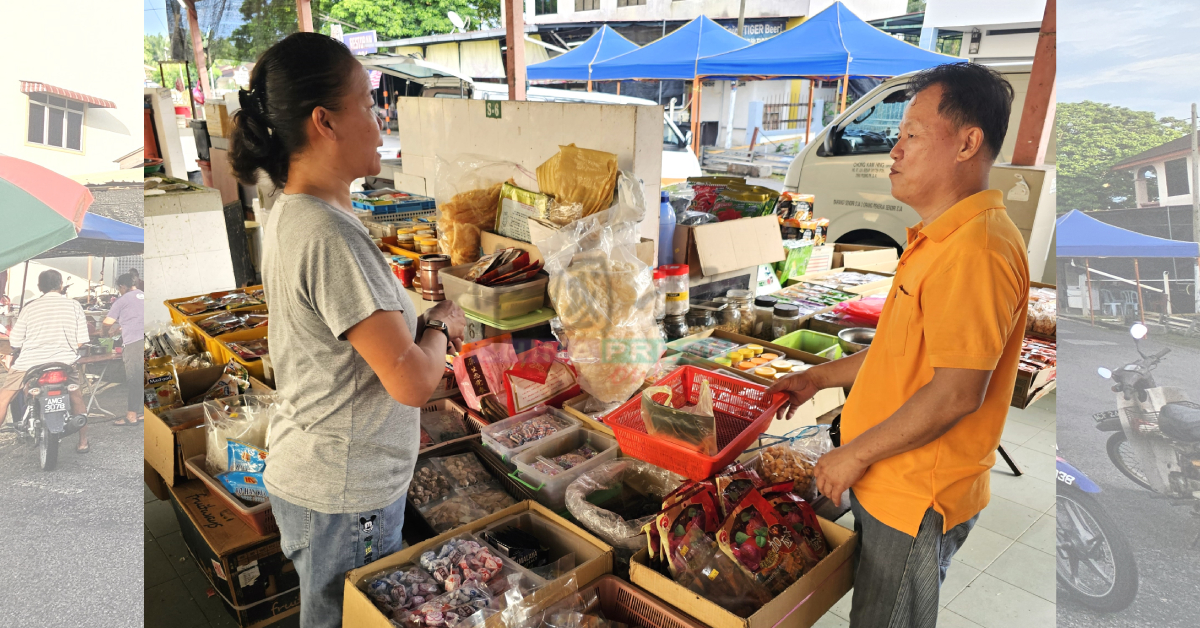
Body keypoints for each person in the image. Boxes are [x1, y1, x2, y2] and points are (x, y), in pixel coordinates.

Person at [767, 63, 1029, 628]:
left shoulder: (976, 250)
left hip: (916, 495)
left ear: (967, 142)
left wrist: (854, 454)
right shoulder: (940, 237)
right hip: (888, 476)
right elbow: (899, 354)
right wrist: (818, 379)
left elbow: (957, 392)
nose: (895, 149)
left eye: (911, 134)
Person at [228, 32, 466, 628]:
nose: (380, 118)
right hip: (341, 492)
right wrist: (440, 325)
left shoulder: (295, 210)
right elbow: (411, 382)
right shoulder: (329, 236)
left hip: (321, 470)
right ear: (325, 122)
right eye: (368, 101)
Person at [0, 270, 92, 452]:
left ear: (39, 287)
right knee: (76, 396)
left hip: (30, 363)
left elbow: (15, 341)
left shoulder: (29, 307)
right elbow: (81, 340)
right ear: (60, 285)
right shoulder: (74, 306)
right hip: (65, 363)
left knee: (4, 398)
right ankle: (83, 442)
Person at [102, 274, 144, 426]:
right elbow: (136, 318)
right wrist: (119, 329)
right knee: (149, 377)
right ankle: (146, 413)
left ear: (123, 286)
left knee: (135, 379)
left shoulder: (123, 299)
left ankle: (131, 416)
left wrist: (104, 332)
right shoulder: (144, 296)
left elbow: (107, 322)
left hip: (134, 343)